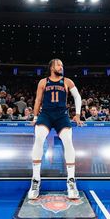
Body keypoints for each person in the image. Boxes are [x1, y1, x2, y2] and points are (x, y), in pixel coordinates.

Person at [28, 59, 83, 200]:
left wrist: (77, 115)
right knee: (39, 139)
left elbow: (77, 97)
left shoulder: (67, 81)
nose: (61, 67)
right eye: (59, 65)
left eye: (62, 65)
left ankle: (71, 181)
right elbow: (38, 100)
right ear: (52, 67)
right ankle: (35, 180)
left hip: (61, 115)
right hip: (45, 114)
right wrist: (34, 117)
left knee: (68, 142)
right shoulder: (43, 82)